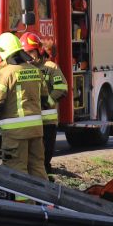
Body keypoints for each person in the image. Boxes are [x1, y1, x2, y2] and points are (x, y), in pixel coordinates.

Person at [0, 31, 50, 179]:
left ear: (3, 52)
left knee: (16, 170)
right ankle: (44, 201)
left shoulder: (4, 74)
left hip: (14, 133)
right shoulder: (36, 71)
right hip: (36, 130)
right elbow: (45, 99)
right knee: (38, 168)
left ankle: (22, 202)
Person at [22, 33, 68, 174]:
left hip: (47, 122)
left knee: (45, 155)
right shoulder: (20, 69)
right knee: (30, 158)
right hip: (29, 121)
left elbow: (62, 88)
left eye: (31, 52)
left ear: (39, 50)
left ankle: (47, 183)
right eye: (25, 53)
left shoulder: (50, 67)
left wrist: (46, 103)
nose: (28, 56)